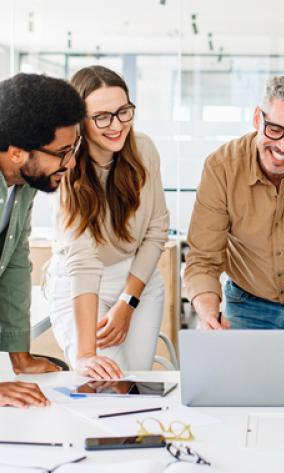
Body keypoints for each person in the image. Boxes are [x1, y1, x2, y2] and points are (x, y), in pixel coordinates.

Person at [185, 76, 284, 378]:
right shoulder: (221, 167)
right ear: (258, 117)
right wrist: (209, 315)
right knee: (240, 392)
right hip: (246, 304)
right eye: (275, 130)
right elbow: (203, 260)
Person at [46, 65, 169, 380]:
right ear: (80, 122)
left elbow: (156, 232)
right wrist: (86, 354)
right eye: (102, 117)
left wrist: (128, 302)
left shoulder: (144, 150)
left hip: (136, 280)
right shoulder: (66, 167)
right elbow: (84, 263)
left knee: (136, 383)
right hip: (82, 284)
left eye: (123, 111)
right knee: (106, 383)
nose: (116, 125)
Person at [0, 73, 86, 407]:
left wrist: (19, 356)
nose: (72, 162)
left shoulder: (21, 185)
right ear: (18, 152)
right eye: (63, 151)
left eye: (74, 148)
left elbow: (15, 266)